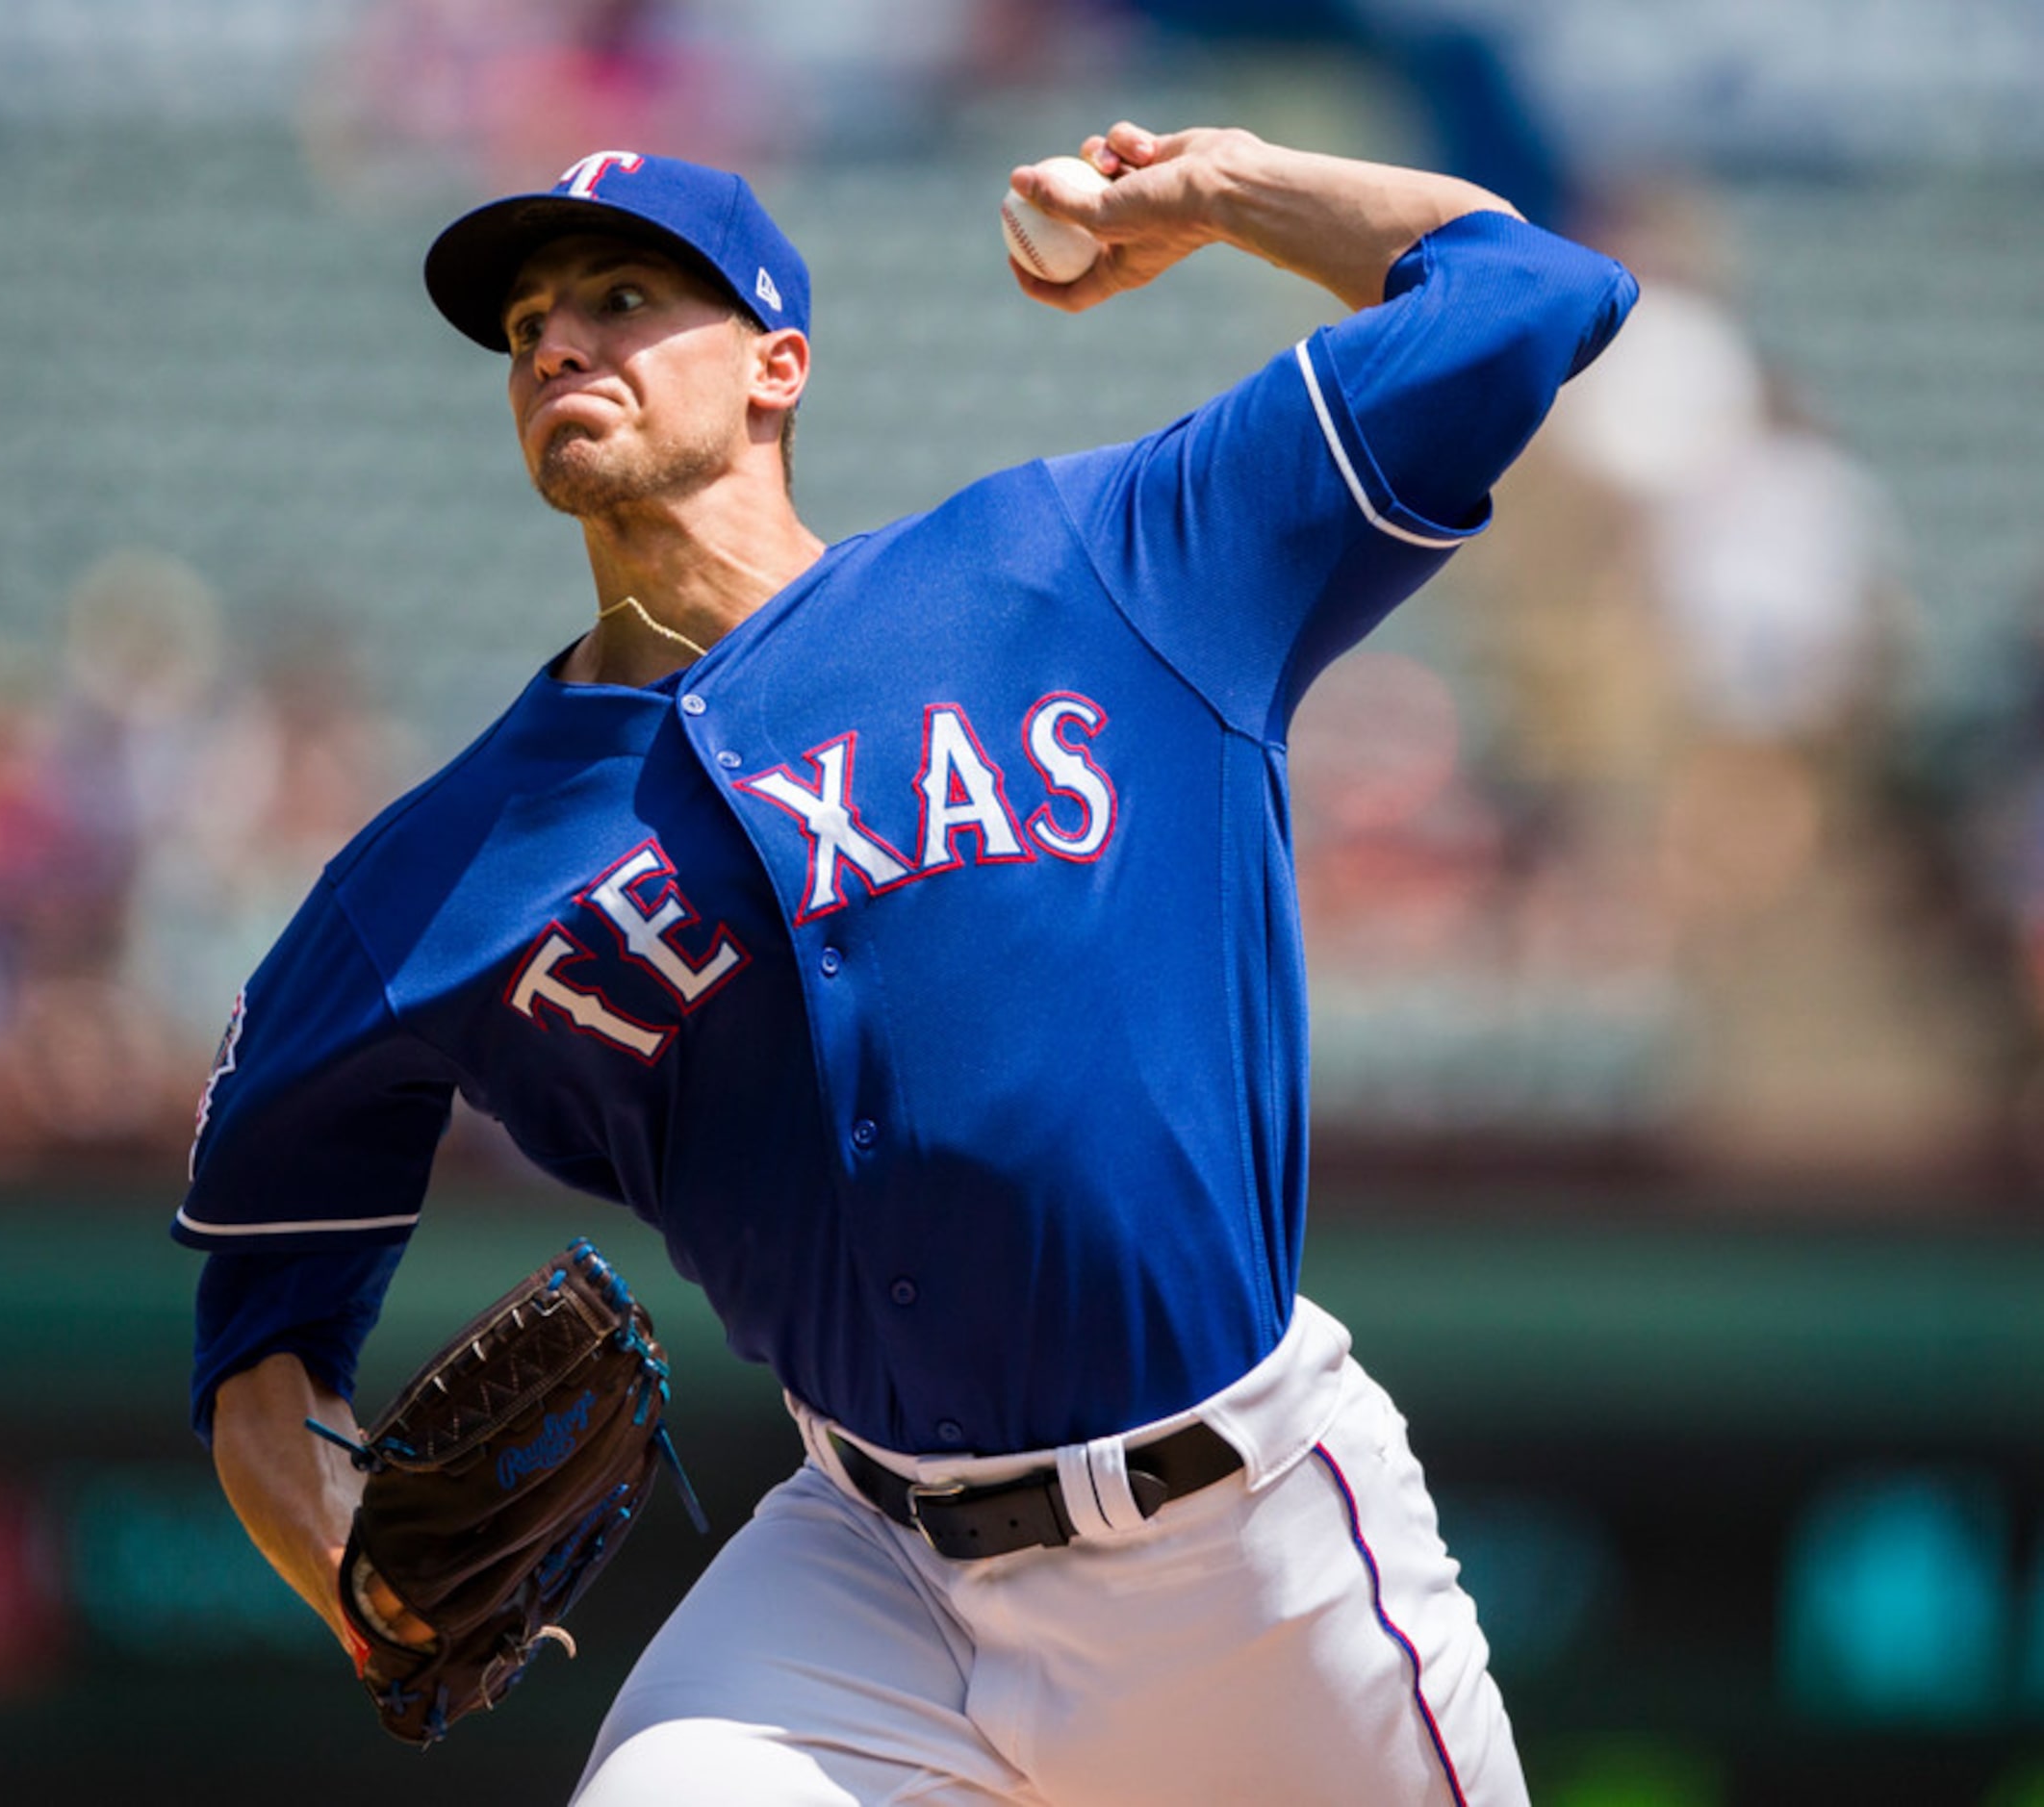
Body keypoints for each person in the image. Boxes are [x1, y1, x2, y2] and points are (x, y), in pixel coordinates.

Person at [174, 122, 1637, 1805]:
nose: (557, 343)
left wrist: (1216, 187)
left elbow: (1526, 291)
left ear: (775, 365)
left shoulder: (1094, 565)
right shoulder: (437, 870)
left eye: (623, 296)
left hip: (1248, 1549)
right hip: (869, 1578)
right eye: (525, 330)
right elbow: (259, 1315)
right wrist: (351, 1568)